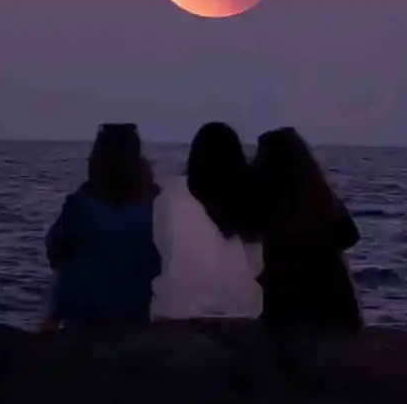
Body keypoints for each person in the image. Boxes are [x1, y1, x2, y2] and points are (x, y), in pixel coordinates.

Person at [41, 123, 161, 329]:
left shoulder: (80, 204)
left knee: (69, 264)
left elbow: (54, 252)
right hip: (140, 313)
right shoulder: (156, 204)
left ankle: (48, 328)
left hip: (86, 318)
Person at [252, 127, 363, 330]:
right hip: (337, 305)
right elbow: (350, 235)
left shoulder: (269, 202)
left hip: (293, 311)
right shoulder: (320, 196)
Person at [151, 122, 264, 320]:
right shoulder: (250, 198)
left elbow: (163, 246)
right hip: (241, 313)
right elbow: (257, 264)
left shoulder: (171, 195)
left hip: (178, 313)